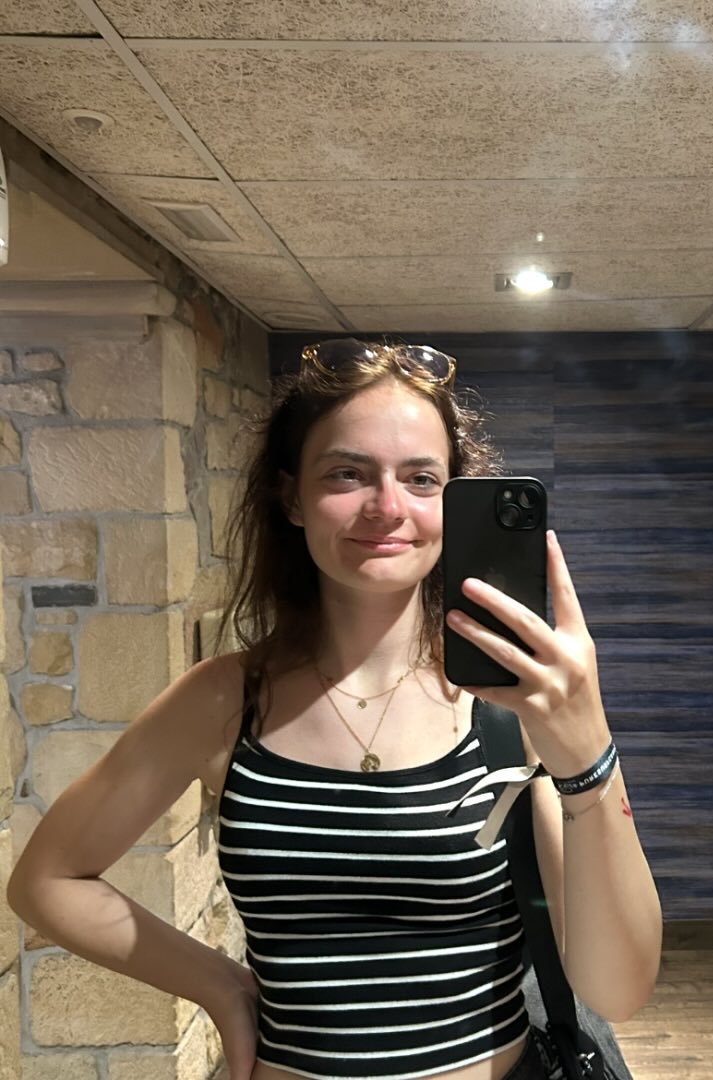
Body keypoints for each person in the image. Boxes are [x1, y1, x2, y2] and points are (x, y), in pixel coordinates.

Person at [7, 339, 662, 1080]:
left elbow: (618, 989)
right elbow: (47, 880)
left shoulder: (506, 708)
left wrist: (588, 751)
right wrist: (219, 985)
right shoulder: (225, 699)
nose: (387, 507)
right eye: (348, 473)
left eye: (421, 479)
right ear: (292, 497)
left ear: (452, 503)